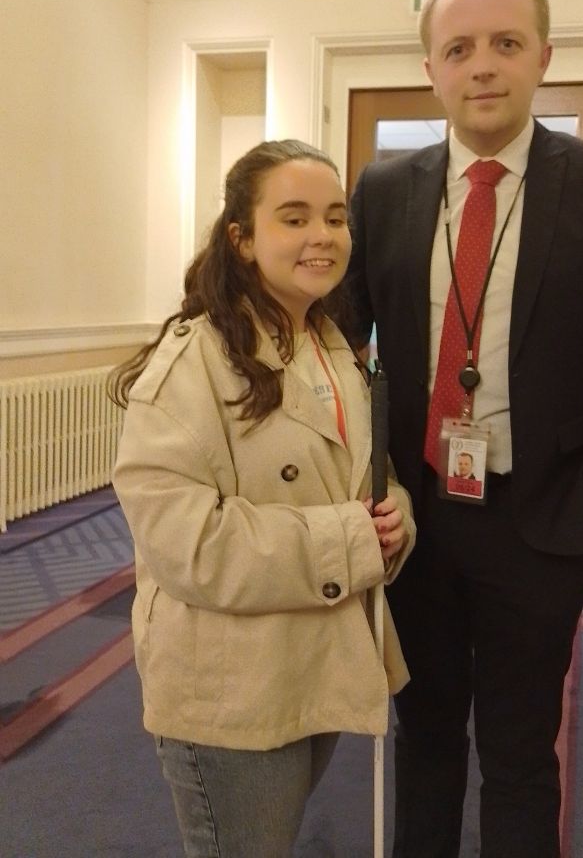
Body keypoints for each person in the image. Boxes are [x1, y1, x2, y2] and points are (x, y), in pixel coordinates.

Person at [346, 0, 583, 857]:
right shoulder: (383, 190)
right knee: (424, 737)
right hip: (414, 517)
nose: (483, 66)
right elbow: (338, 354)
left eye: (506, 43)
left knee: (518, 753)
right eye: (459, 48)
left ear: (543, 55)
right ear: (431, 68)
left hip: (542, 522)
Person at [110, 139, 415, 858]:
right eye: (294, 217)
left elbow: (361, 475)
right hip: (232, 687)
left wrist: (394, 511)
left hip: (313, 659)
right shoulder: (191, 363)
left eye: (335, 218)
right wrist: (353, 539)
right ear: (242, 239)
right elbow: (188, 544)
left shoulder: (330, 345)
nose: (323, 236)